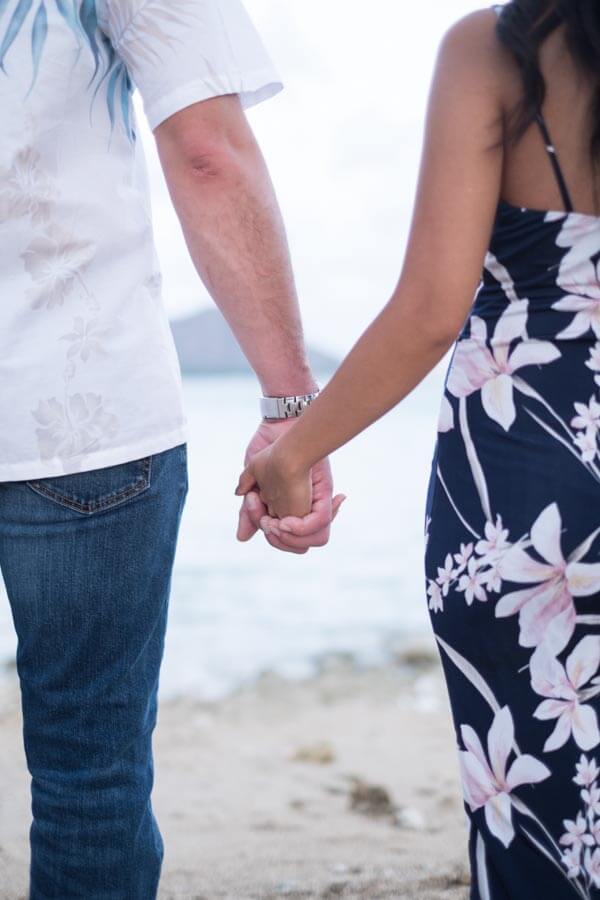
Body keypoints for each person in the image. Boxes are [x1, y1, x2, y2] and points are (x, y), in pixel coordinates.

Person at [238, 1, 600, 895]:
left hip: (531, 488)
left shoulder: (499, 50)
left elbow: (432, 309)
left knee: (538, 825)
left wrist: (292, 454)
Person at [0, 0, 342, 896]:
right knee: (88, 776)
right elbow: (207, 151)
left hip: (86, 427)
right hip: (79, 415)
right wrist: (290, 410)